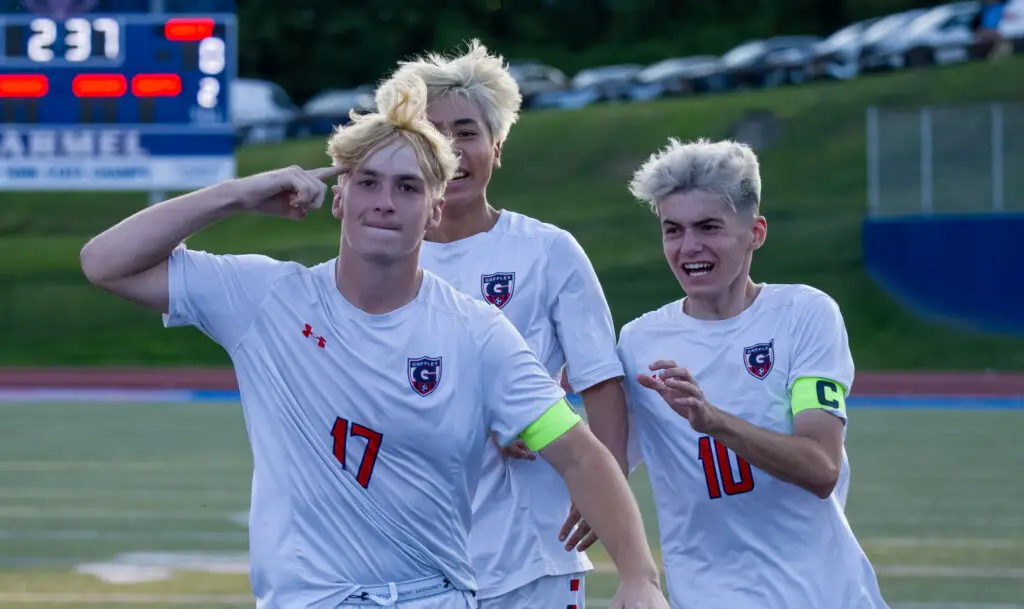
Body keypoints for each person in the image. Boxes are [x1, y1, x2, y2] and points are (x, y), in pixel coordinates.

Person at [78, 73, 668, 609]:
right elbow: (105, 263)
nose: (385, 201)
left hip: (433, 597)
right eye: (367, 182)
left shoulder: (477, 333)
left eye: (409, 187)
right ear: (339, 198)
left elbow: (575, 449)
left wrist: (640, 576)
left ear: (435, 209)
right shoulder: (266, 299)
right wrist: (239, 194)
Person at [366, 41, 630, 608]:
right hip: (408, 557)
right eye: (432, 132)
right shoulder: (374, 258)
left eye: (467, 131)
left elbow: (601, 381)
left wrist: (607, 487)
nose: (452, 148)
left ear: (497, 145)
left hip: (532, 552)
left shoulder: (547, 250)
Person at [612, 137, 889, 608]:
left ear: (756, 232)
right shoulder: (639, 342)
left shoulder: (804, 315)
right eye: (672, 230)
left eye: (708, 227)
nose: (689, 247)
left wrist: (711, 419)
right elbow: (605, 464)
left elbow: (821, 468)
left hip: (825, 596)